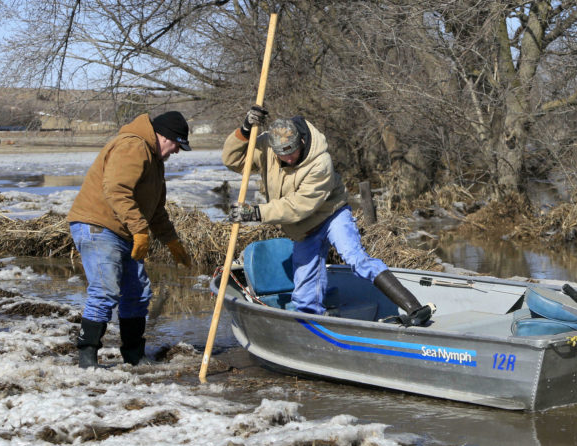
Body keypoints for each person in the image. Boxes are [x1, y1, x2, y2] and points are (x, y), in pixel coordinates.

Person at [222, 106, 433, 324]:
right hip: (303, 228)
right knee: (304, 293)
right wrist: (245, 131)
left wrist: (257, 213)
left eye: (292, 152)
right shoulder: (268, 145)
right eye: (282, 155)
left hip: (332, 215)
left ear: (301, 142)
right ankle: (312, 325)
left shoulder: (320, 162)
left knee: (356, 258)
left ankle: (414, 307)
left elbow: (298, 206)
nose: (289, 159)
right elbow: (233, 161)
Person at [67, 111, 195, 369]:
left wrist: (172, 242)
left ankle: (134, 355)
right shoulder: (133, 145)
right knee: (105, 291)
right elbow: (117, 190)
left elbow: (156, 210)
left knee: (137, 293)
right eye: (177, 145)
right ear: (164, 136)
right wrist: (139, 230)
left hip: (122, 230)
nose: (177, 152)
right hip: (98, 225)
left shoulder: (155, 159)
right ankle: (87, 356)